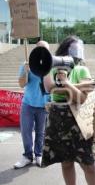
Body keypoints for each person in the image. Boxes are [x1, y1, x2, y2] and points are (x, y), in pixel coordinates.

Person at [42, 36, 95, 185]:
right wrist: (72, 88)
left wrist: (65, 84)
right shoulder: (52, 66)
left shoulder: (82, 69)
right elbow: (49, 88)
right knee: (66, 162)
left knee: (88, 164)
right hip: (58, 120)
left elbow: (81, 98)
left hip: (78, 120)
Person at [14, 40, 50, 169]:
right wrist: (26, 72)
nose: (42, 51)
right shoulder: (26, 64)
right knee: (26, 131)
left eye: (44, 49)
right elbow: (21, 84)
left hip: (43, 105)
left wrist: (50, 101)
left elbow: (51, 86)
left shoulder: (51, 65)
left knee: (41, 132)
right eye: (39, 48)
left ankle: (38, 154)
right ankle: (27, 156)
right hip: (28, 104)